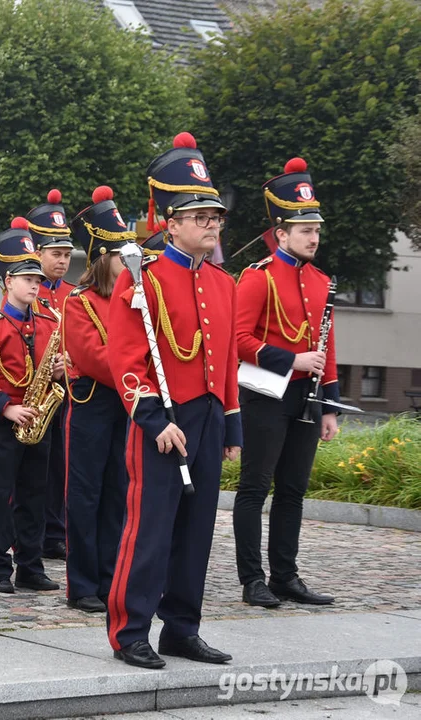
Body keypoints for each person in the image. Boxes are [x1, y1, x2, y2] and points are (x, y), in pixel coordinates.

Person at [106, 132, 241, 669]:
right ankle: (130, 630)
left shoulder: (223, 283)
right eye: (200, 215)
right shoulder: (146, 278)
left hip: (207, 415)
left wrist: (231, 425)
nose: (212, 223)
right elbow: (126, 353)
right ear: (172, 221)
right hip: (163, 415)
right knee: (150, 527)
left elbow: (225, 360)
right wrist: (152, 417)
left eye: (215, 215)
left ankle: (182, 627)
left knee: (197, 528)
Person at [233, 157, 339, 608]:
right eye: (304, 230)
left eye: (316, 230)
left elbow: (327, 346)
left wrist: (330, 405)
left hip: (308, 397)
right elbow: (237, 339)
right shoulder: (258, 277)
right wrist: (291, 359)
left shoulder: (321, 281)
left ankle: (285, 576)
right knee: (255, 487)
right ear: (281, 233)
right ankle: (252, 580)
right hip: (264, 391)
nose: (313, 238)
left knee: (293, 489)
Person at [0, 218, 65, 595]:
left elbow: (58, 368)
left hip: (41, 418)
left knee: (36, 496)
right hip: (8, 422)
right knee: (3, 496)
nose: (36, 287)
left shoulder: (47, 324)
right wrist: (6, 407)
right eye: (28, 280)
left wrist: (59, 373)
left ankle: (30, 565)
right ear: (9, 282)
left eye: (38, 281)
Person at [61, 186, 135, 613]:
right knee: (85, 495)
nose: (128, 263)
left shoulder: (132, 301)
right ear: (102, 259)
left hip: (124, 406)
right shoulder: (80, 302)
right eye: (120, 256)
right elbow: (96, 358)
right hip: (94, 405)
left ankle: (111, 578)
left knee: (117, 494)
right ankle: (82, 584)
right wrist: (135, 374)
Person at [27, 189, 75, 561]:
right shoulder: (26, 293)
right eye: (55, 254)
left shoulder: (74, 295)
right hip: (35, 392)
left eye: (65, 255)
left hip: (68, 391)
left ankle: (55, 532)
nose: (62, 261)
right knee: (32, 471)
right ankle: (29, 530)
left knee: (61, 466)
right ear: (37, 254)